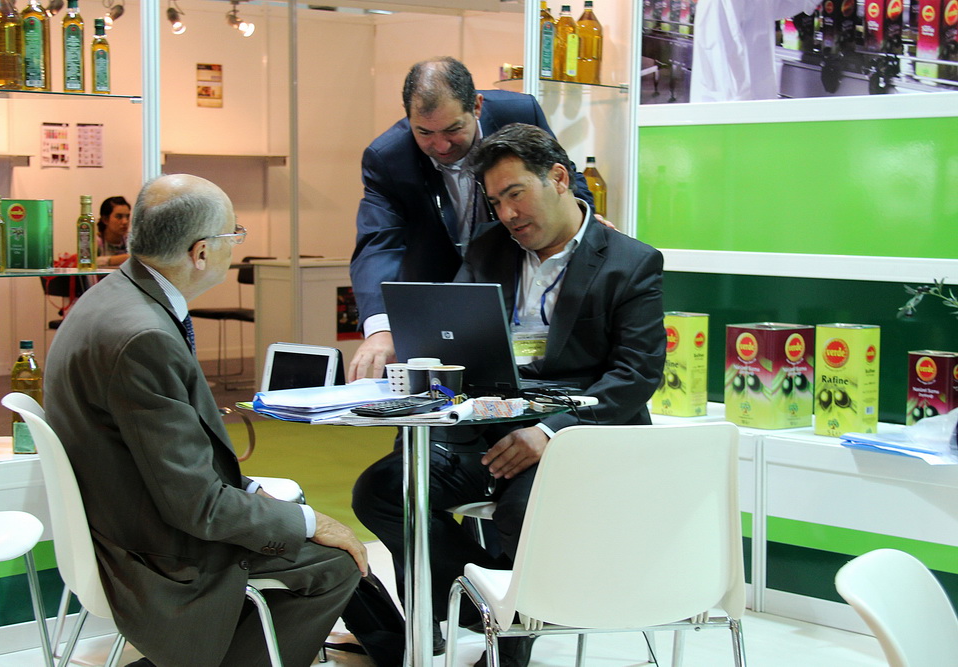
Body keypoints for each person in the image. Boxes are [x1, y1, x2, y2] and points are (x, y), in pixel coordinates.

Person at [352, 124, 666, 667]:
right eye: (495, 202)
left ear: (559, 179)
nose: (507, 214)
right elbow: (452, 339)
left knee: (525, 513)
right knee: (385, 490)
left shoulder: (630, 262)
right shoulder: (488, 248)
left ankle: (508, 649)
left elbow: (636, 375)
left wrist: (550, 433)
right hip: (487, 428)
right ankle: (488, 605)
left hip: (577, 438)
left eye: (515, 194)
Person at [44, 174, 367, 667]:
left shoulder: (115, 298)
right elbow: (198, 507)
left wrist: (254, 493)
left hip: (124, 514)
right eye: (233, 234)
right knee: (336, 563)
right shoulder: (144, 337)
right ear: (200, 252)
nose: (236, 244)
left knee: (290, 516)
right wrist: (309, 522)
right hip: (155, 549)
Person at [348, 56, 594, 382]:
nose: (441, 145)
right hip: (440, 295)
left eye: (453, 129)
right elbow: (377, 244)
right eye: (424, 132)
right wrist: (381, 327)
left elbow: (561, 175)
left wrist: (586, 225)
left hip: (520, 279)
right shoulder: (388, 157)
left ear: (476, 106)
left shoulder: (518, 113)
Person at [690, 0, 817, 102]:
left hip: (755, 102)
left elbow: (782, 5)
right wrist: (746, 110)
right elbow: (722, 60)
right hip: (730, 108)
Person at [96, 195, 131, 267]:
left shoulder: (132, 241)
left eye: (127, 216)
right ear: (105, 219)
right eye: (119, 217)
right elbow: (89, 262)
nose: (125, 222)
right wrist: (126, 258)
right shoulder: (95, 242)